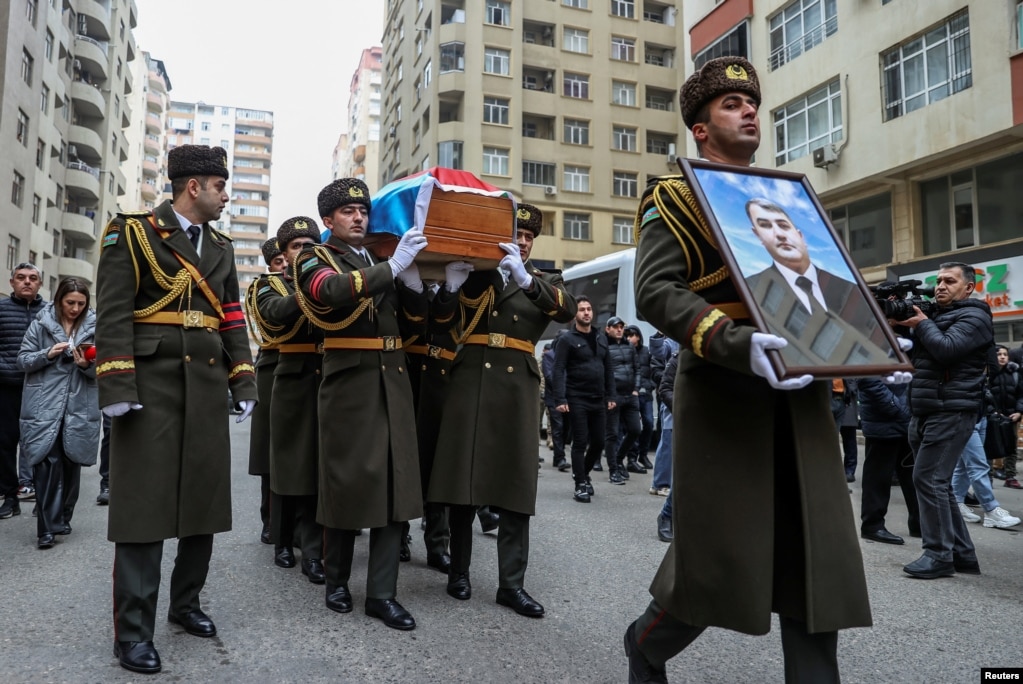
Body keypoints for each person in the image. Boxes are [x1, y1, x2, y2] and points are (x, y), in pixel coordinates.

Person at [624, 56, 875, 684]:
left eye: (752, 104)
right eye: (732, 105)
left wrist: (871, 348)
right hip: (726, 393)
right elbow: (657, 291)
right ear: (701, 128)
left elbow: (825, 290)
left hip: (801, 393)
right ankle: (646, 645)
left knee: (816, 560)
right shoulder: (675, 196)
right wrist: (736, 342)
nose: (749, 112)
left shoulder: (785, 197)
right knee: (719, 562)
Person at [95, 145, 258, 674]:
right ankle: (134, 633)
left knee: (202, 504)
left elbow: (232, 316)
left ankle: (185, 604)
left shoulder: (223, 246)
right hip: (152, 386)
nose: (226, 196)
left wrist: (244, 380)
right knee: (143, 512)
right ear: (195, 187)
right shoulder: (134, 232)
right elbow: (116, 311)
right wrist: (118, 387)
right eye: (220, 186)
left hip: (207, 385)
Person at [293, 178, 435, 631]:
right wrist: (393, 268)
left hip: (392, 379)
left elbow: (413, 326)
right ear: (328, 220)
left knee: (395, 487)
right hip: (350, 382)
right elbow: (328, 292)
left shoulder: (378, 259)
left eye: (363, 211)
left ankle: (382, 593)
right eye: (348, 212)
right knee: (347, 484)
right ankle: (337, 581)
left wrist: (412, 284)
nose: (358, 218)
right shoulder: (315, 257)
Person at [429, 202, 576, 618]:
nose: (523, 243)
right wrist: (450, 289)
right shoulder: (475, 274)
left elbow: (566, 311)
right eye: (517, 236)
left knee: (514, 487)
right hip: (471, 380)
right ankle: (459, 572)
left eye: (529, 238)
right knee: (463, 484)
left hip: (515, 388)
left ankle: (512, 585)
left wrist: (526, 280)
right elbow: (439, 324)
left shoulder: (546, 281)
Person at [899, 262, 993, 579]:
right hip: (925, 408)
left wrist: (922, 323)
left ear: (969, 287)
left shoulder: (976, 316)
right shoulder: (934, 314)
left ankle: (939, 555)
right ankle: (963, 555)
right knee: (937, 483)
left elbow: (947, 349)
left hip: (952, 410)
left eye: (949, 281)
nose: (940, 285)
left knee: (928, 480)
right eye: (938, 280)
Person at [257, 218, 326, 583]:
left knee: (317, 467)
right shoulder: (269, 285)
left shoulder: (328, 281)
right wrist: (310, 293)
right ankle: (282, 540)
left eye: (311, 245)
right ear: (283, 253)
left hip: (327, 376)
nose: (305, 252)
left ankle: (313, 552)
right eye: (298, 246)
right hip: (291, 377)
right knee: (286, 467)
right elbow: (273, 316)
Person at [16, 277, 100, 549]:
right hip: (44, 402)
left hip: (79, 403)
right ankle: (46, 528)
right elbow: (23, 360)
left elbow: (104, 368)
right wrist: (48, 354)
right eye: (70, 303)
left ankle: (63, 517)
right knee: (46, 461)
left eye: (81, 304)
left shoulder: (95, 326)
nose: (75, 309)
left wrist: (87, 365)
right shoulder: (40, 324)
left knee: (70, 461)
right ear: (59, 300)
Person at [244, 237, 288, 545]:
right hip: (273, 367)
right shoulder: (264, 288)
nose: (285, 265)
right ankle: (270, 519)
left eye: (288, 259)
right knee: (271, 452)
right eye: (278, 262)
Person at [551, 294, 616, 503]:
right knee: (580, 441)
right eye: (582, 309)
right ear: (574, 314)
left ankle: (583, 472)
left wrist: (611, 395)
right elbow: (558, 369)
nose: (586, 312)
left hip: (598, 399)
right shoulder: (566, 339)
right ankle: (580, 484)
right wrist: (560, 398)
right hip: (576, 397)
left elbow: (608, 368)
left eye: (589, 309)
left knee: (598, 442)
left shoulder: (600, 337)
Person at [0, 262, 44, 519]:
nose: (27, 282)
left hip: (40, 389)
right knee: (5, 443)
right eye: (21, 277)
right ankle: (9, 496)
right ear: (12, 282)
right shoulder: (2, 310)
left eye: (32, 278)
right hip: (6, 388)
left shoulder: (49, 312)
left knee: (41, 444)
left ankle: (43, 494)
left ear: (39, 283)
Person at [856, 377, 919, 545]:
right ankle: (872, 526)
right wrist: (899, 408)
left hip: (905, 417)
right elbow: (868, 380)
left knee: (913, 476)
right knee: (878, 476)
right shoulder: (879, 350)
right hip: (883, 419)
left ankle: (919, 523)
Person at [605, 316, 643, 483]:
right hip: (614, 396)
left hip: (630, 395)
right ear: (608, 329)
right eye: (615, 327)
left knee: (635, 430)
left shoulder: (630, 347)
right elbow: (603, 373)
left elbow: (638, 369)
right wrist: (608, 395)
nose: (619, 329)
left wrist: (636, 389)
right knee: (612, 434)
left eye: (621, 326)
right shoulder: (604, 347)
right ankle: (613, 470)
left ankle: (619, 459)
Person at [984, 345, 1023, 489]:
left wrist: (1019, 411)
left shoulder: (1015, 373)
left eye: (1005, 354)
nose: (1002, 357)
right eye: (999, 354)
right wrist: (992, 411)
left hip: (1011, 416)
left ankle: (1010, 476)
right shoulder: (987, 374)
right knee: (989, 448)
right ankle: (988, 479)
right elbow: (983, 395)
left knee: (1011, 447)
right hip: (992, 417)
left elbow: (1021, 395)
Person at [654, 346, 679, 543]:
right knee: (686, 475)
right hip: (685, 420)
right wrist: (682, 407)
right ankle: (667, 515)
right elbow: (665, 388)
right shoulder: (680, 358)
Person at [648, 336, 678, 499]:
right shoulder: (671, 342)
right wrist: (659, 335)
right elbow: (657, 351)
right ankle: (660, 483)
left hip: (686, 397)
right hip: (670, 398)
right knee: (667, 439)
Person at [626, 325, 656, 471]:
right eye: (628, 335)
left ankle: (643, 455)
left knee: (649, 423)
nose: (630, 338)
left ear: (638, 336)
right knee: (634, 427)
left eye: (633, 335)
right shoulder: (626, 351)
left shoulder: (646, 351)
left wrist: (651, 385)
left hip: (646, 394)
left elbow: (654, 368)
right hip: (632, 393)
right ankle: (632, 457)